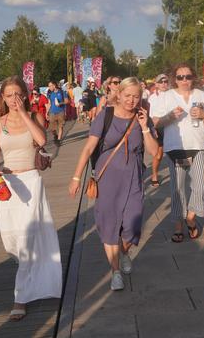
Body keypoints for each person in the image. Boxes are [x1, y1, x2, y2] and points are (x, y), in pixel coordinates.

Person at [69, 77, 158, 291]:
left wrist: (145, 127)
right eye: (128, 95)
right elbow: (89, 148)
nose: (131, 100)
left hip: (133, 178)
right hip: (107, 179)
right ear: (119, 94)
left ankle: (124, 251)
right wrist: (76, 177)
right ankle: (115, 271)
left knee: (132, 226)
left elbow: (155, 152)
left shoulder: (142, 117)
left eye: (136, 96)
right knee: (109, 225)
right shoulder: (105, 115)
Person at [0, 76, 62, 320]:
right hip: (7, 185)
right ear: (2, 98)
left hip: (30, 182)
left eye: (17, 94)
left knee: (27, 240)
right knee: (13, 243)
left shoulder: (33, 117)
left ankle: (20, 298)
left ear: (25, 95)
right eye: (8, 95)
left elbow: (41, 140)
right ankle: (31, 277)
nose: (13, 99)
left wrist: (24, 113)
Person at [151, 63, 204, 243]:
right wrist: (170, 117)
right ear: (174, 79)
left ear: (193, 77)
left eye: (188, 76)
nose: (184, 80)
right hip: (175, 148)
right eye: (180, 77)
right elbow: (156, 122)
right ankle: (179, 225)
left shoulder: (202, 95)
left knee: (201, 185)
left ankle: (191, 217)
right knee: (177, 189)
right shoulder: (167, 96)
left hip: (197, 146)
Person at [148, 73, 169, 187]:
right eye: (161, 82)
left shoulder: (172, 94)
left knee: (174, 152)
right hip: (158, 127)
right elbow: (150, 115)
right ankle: (154, 175)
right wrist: (152, 129)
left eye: (166, 81)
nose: (164, 84)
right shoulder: (153, 97)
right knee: (159, 154)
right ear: (156, 84)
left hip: (171, 126)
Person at [46, 80, 67, 145]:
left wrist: (60, 103)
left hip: (61, 111)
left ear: (54, 85)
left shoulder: (62, 92)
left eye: (50, 86)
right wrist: (46, 112)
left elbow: (67, 101)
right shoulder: (49, 93)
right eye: (48, 86)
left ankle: (58, 140)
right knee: (52, 128)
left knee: (60, 126)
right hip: (52, 112)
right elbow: (49, 103)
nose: (49, 87)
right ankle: (55, 135)